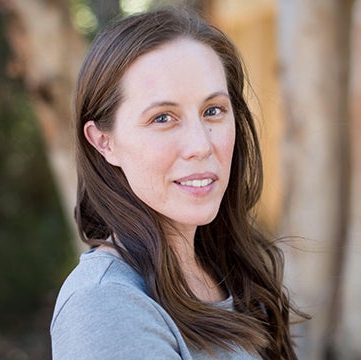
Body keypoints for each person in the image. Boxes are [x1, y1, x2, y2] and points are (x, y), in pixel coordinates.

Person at [51, 7, 305, 360]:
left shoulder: (225, 268)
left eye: (213, 110)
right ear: (104, 142)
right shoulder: (106, 304)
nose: (201, 145)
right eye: (163, 118)